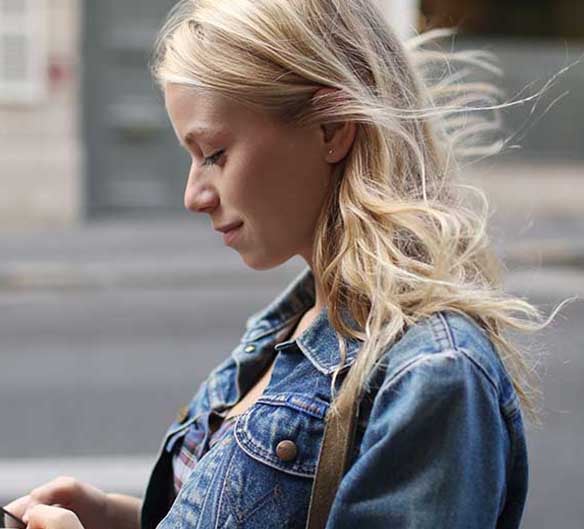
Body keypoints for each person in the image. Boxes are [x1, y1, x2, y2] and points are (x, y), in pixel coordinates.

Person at [3, 0, 560, 528]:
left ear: (332, 129)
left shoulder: (434, 373)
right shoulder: (293, 323)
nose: (194, 194)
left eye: (215, 154)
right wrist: (126, 518)